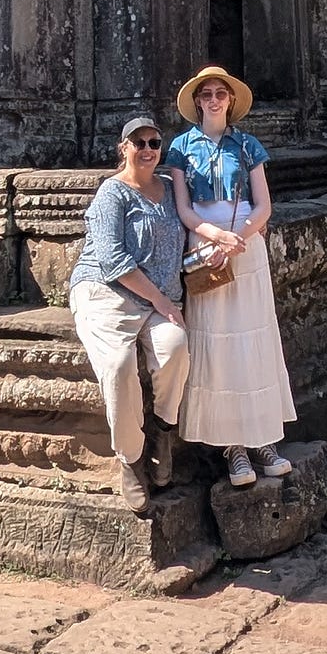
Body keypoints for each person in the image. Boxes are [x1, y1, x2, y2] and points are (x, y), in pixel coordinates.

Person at [165, 64, 295, 490]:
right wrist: (215, 237)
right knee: (218, 348)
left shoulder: (248, 145)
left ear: (231, 100)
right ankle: (233, 447)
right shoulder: (181, 148)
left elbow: (264, 205)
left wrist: (238, 237)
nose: (214, 100)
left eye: (220, 93)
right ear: (197, 102)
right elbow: (184, 208)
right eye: (206, 94)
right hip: (206, 246)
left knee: (253, 343)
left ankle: (264, 440)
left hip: (245, 245)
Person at [68, 114, 188, 516]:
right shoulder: (112, 193)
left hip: (157, 299)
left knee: (176, 348)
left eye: (154, 143)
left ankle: (161, 431)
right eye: (139, 143)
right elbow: (112, 260)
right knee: (119, 367)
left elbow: (198, 219)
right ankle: (131, 459)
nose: (148, 150)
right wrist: (162, 301)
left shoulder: (170, 189)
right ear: (124, 148)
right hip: (106, 293)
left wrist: (239, 230)